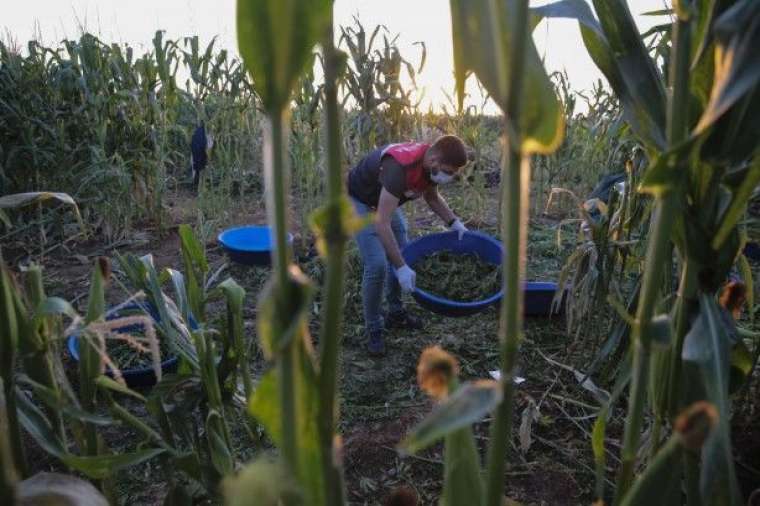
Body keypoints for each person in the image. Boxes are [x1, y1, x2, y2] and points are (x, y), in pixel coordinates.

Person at [348, 135, 470, 356]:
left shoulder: (430, 165)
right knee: (377, 265)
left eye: (452, 173)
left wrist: (454, 223)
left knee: (402, 246)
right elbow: (381, 223)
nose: (449, 177)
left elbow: (432, 198)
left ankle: (395, 312)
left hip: (384, 198)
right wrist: (401, 267)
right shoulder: (400, 169)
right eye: (448, 171)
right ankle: (373, 328)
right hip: (361, 200)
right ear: (434, 159)